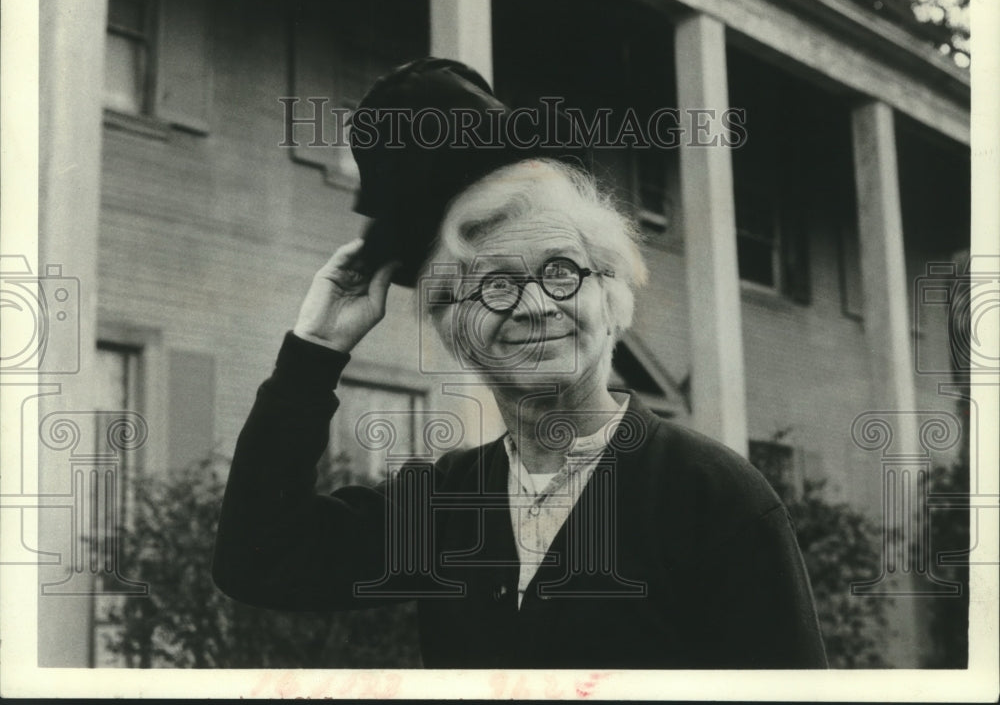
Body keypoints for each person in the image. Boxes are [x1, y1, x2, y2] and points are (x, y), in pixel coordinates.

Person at [213, 59, 828, 669]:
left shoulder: (714, 500)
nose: (536, 306)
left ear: (609, 295)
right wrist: (315, 350)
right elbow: (259, 559)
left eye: (560, 270)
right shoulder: (446, 508)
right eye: (495, 284)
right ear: (457, 323)